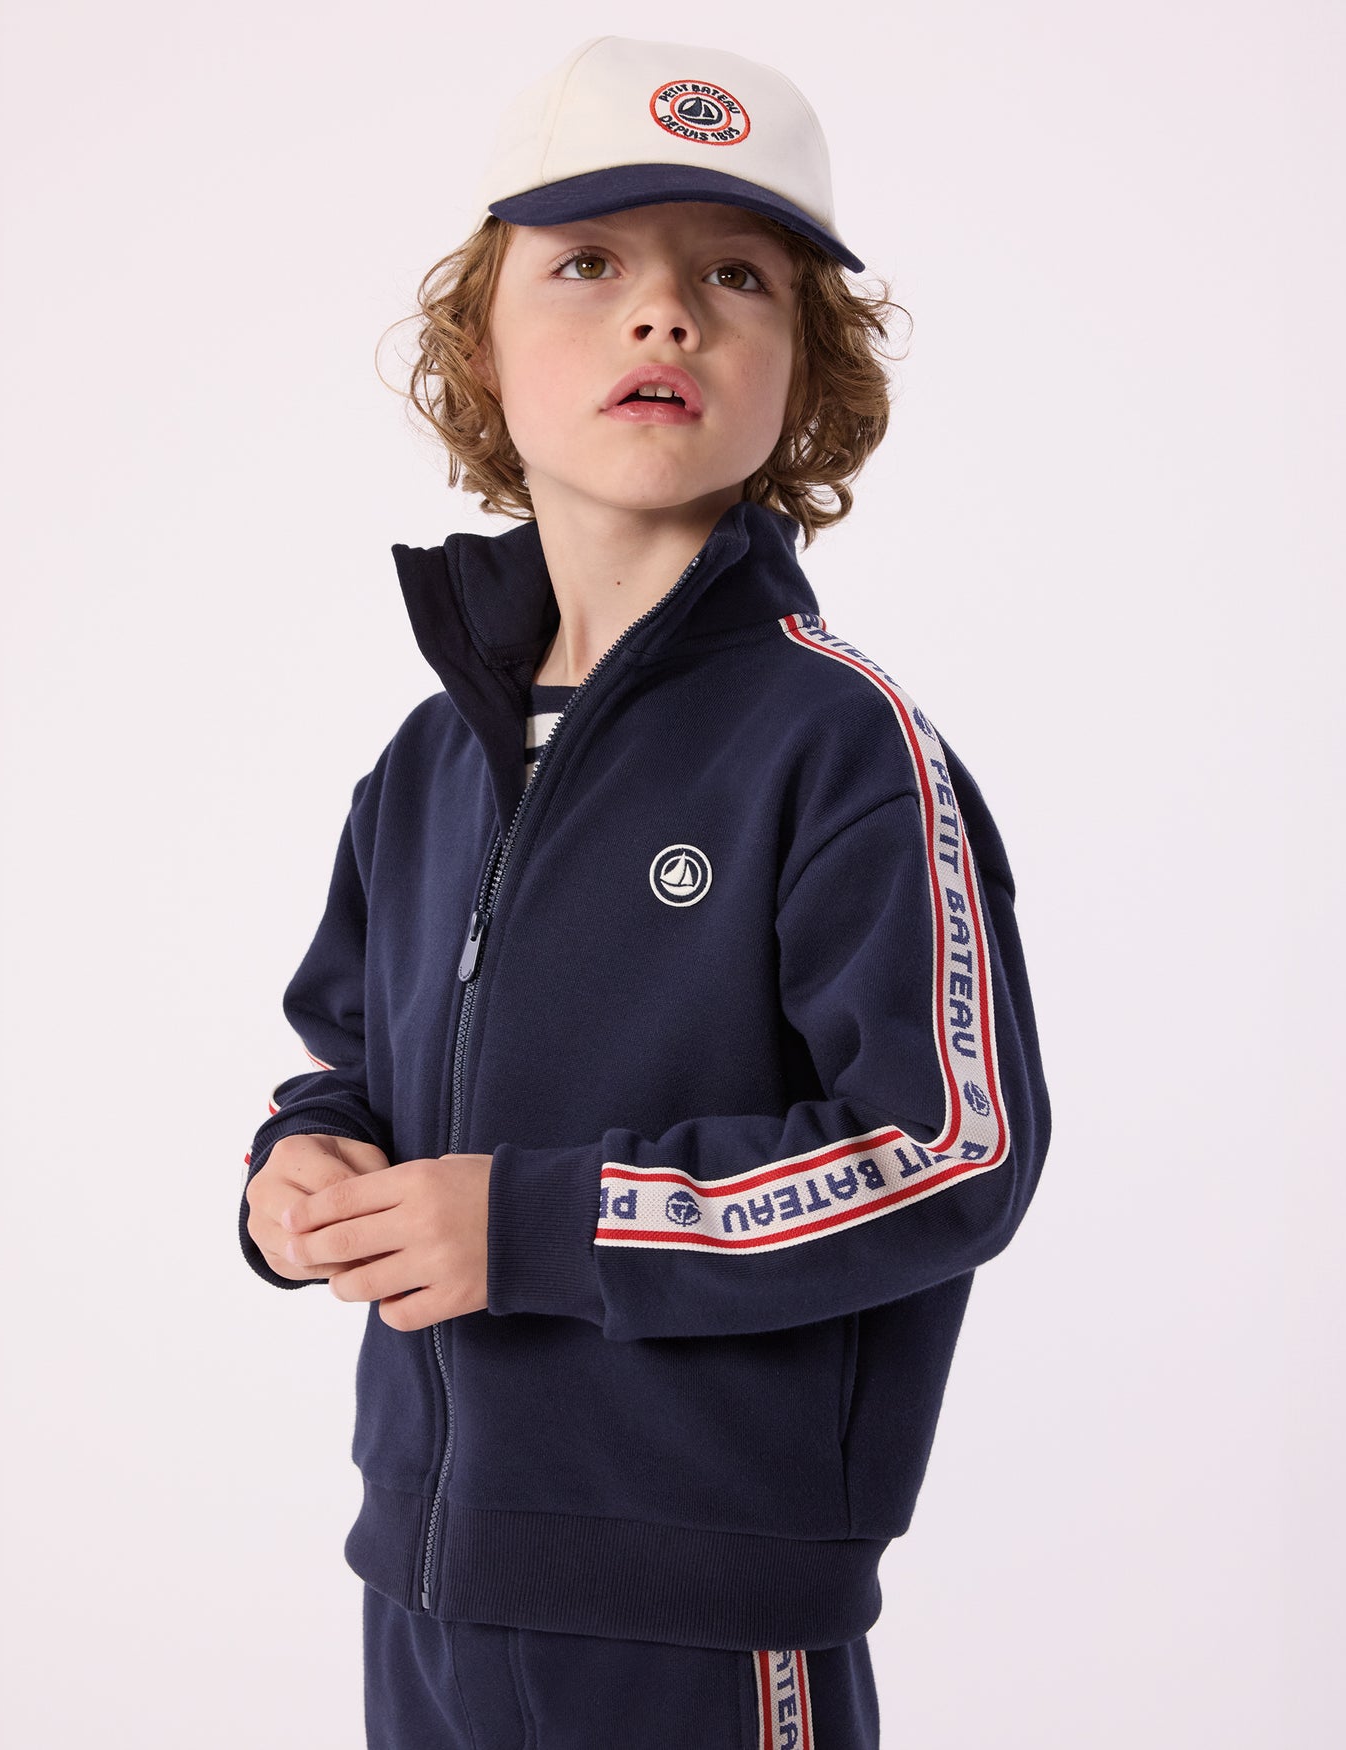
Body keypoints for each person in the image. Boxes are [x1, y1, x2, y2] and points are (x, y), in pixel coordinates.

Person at [238, 34, 1051, 1750]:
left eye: (734, 276)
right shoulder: (427, 763)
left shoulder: (839, 745)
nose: (663, 315)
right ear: (481, 340)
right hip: (425, 1582)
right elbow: (342, 1057)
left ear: (805, 376)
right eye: (590, 263)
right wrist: (301, 1167)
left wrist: (536, 1225)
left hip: (700, 1621)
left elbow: (953, 1145)